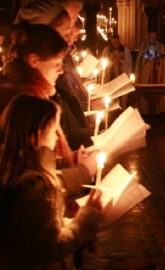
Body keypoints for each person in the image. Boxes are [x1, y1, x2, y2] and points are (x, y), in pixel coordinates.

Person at [0, 95, 102, 269]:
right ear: (37, 134)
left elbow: (32, 230)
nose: (57, 137)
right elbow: (51, 248)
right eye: (54, 129)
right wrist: (89, 216)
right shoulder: (36, 185)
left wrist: (68, 223)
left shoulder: (11, 168)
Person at [1, 21, 93, 149]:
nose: (61, 70)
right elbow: (28, 161)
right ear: (34, 61)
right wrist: (83, 169)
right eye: (56, 63)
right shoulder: (22, 102)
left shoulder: (33, 92)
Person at [134, 30, 165, 113]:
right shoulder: (143, 46)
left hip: (157, 72)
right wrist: (144, 60)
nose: (152, 39)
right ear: (148, 37)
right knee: (145, 91)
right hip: (146, 74)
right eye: (151, 37)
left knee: (157, 91)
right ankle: (145, 110)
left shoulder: (160, 46)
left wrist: (159, 61)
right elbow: (139, 59)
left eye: (154, 37)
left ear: (156, 37)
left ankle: (157, 110)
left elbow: (163, 59)